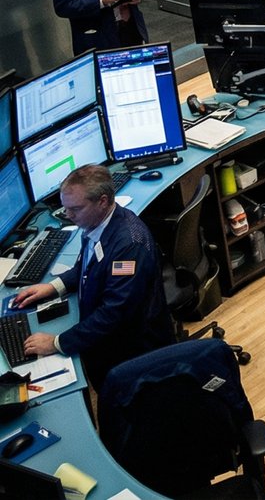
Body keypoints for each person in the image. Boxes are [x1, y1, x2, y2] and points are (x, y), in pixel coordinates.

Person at [11, 164, 173, 389]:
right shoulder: (98, 223)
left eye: (75, 209)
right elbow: (89, 265)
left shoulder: (128, 249)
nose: (68, 215)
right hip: (109, 336)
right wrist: (54, 287)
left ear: (103, 201)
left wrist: (58, 343)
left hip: (130, 349)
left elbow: (113, 314)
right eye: (65, 207)